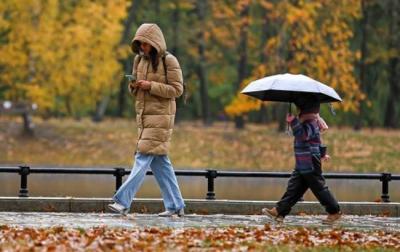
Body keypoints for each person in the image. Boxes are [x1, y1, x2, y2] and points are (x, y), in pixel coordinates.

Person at [108, 23, 185, 217]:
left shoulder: (169, 60)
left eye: (145, 44)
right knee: (160, 162)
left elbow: (177, 90)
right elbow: (134, 92)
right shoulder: (138, 60)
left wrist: (151, 85)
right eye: (139, 44)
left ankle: (121, 202)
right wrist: (134, 86)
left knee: (142, 157)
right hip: (144, 117)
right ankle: (176, 206)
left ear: (154, 42)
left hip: (161, 118)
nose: (142, 47)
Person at [262, 95, 341, 224]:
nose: (298, 111)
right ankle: (279, 211)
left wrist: (293, 121)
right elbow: (317, 140)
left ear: (304, 109)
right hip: (303, 160)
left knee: (318, 187)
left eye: (299, 108)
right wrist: (322, 153)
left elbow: (303, 135)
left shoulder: (310, 122)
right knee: (294, 188)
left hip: (309, 160)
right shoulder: (309, 121)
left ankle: (334, 211)